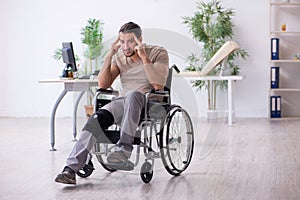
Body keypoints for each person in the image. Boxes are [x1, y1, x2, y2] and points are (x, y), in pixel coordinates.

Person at [55, 22, 169, 185]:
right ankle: (70, 169)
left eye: (130, 41)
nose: (125, 46)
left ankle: (122, 151)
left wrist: (144, 57)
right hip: (123, 102)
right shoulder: (120, 57)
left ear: (140, 39)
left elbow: (158, 85)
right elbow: (103, 84)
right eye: (122, 42)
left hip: (148, 102)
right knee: (97, 118)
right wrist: (110, 54)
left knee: (133, 94)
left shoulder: (158, 52)